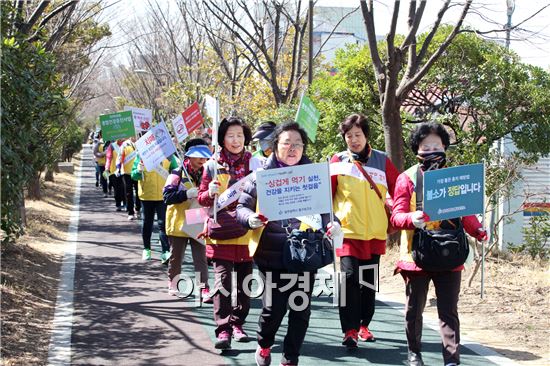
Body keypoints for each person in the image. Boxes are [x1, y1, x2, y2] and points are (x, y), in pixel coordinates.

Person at [237, 121, 342, 366]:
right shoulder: (260, 176)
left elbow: (326, 209)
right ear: (275, 146)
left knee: (301, 309)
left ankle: (290, 357)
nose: (292, 148)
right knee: (274, 309)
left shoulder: (315, 176)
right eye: (287, 143)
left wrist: (333, 224)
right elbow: (241, 207)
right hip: (271, 254)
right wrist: (250, 219)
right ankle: (264, 344)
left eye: (298, 144)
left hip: (306, 252)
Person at [390, 122, 487, 366]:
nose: (432, 149)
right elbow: (396, 216)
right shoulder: (407, 178)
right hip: (416, 255)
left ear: (445, 147)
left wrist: (479, 230)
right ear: (416, 149)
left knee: (449, 311)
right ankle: (414, 352)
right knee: (414, 309)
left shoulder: (455, 177)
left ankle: (451, 359)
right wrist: (413, 218)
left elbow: (466, 214)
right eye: (425, 145)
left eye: (437, 144)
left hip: (451, 252)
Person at [330, 113, 399, 348]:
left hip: (375, 232)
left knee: (368, 282)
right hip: (347, 231)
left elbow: (400, 189)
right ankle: (348, 330)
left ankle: (363, 325)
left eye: (357, 135)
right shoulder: (337, 160)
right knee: (347, 279)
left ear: (366, 135)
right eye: (348, 136)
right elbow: (326, 195)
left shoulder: (382, 160)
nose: (353, 139)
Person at [197, 116, 263, 350]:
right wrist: (210, 192)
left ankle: (238, 324)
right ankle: (223, 329)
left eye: (240, 135)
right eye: (231, 135)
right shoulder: (212, 165)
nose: (236, 140)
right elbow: (202, 198)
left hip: (248, 231)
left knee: (245, 284)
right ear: (222, 138)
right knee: (223, 281)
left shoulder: (257, 165)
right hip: (222, 231)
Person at [163, 138, 212, 303]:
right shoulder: (177, 173)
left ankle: (204, 287)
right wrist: (185, 194)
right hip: (179, 223)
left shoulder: (209, 173)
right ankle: (173, 282)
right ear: (188, 156)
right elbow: (167, 196)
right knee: (176, 256)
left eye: (205, 156)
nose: (202, 160)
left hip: (198, 221)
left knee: (201, 257)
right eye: (198, 156)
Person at [131, 152, 179, 263]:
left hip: (163, 196)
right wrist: (138, 170)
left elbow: (176, 171)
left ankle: (165, 252)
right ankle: (146, 248)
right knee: (147, 223)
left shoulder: (168, 155)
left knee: (163, 224)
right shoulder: (141, 155)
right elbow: (134, 175)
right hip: (147, 195)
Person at [118, 137, 141, 220]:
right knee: (129, 193)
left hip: (137, 172)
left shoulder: (141, 142)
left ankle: (138, 209)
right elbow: (120, 157)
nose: (134, 136)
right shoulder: (125, 144)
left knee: (139, 192)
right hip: (127, 172)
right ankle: (130, 212)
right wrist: (118, 167)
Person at [104, 139, 126, 211]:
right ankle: (118, 204)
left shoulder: (126, 145)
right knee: (117, 189)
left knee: (124, 188)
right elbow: (108, 158)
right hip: (114, 171)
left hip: (124, 170)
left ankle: (125, 203)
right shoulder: (112, 146)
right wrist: (107, 167)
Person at [93, 131, 108, 197]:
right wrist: (101, 154)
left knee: (112, 178)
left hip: (111, 164)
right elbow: (95, 152)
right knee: (104, 177)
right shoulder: (99, 143)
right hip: (102, 164)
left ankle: (110, 188)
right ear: (100, 135)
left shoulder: (111, 142)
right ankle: (105, 191)